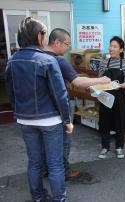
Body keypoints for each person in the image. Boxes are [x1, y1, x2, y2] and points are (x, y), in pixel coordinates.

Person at [5, 17, 71, 202]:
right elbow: (60, 95)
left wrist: (18, 114)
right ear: (38, 35)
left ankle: (38, 198)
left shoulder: (12, 62)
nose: (45, 37)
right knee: (55, 164)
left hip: (25, 120)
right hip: (50, 120)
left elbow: (11, 93)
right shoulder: (48, 60)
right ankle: (59, 199)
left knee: (34, 162)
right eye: (44, 33)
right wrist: (67, 121)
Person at [44, 28, 111, 182]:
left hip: (43, 109)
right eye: (66, 44)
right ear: (57, 42)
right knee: (64, 140)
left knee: (48, 143)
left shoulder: (38, 57)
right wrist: (101, 80)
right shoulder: (58, 60)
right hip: (59, 107)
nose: (67, 48)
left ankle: (48, 169)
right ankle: (64, 172)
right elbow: (78, 82)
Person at [95, 36, 125, 159]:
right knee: (105, 122)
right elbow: (99, 79)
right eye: (110, 46)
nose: (111, 48)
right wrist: (98, 86)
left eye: (114, 46)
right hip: (106, 97)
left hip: (119, 97)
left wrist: (120, 85)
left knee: (120, 122)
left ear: (121, 49)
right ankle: (105, 147)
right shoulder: (104, 63)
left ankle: (119, 147)